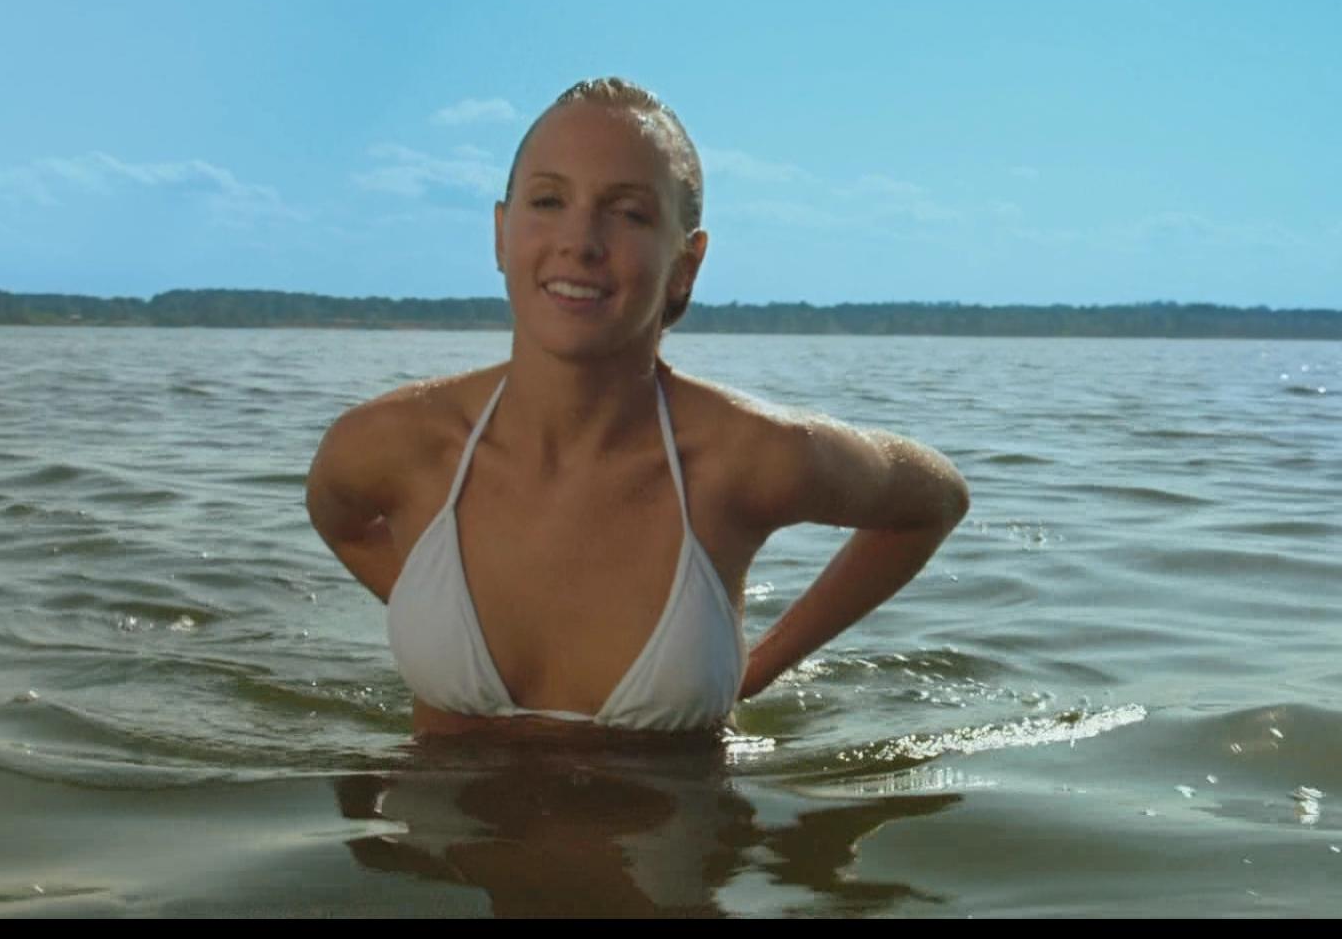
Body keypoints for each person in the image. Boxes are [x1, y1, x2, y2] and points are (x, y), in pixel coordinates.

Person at [306, 77, 969, 737]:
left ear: (686, 263)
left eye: (629, 213)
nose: (580, 242)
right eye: (548, 201)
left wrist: (757, 669)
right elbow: (340, 522)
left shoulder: (742, 458)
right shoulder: (393, 445)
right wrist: (426, 610)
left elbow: (935, 500)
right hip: (433, 806)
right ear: (501, 234)